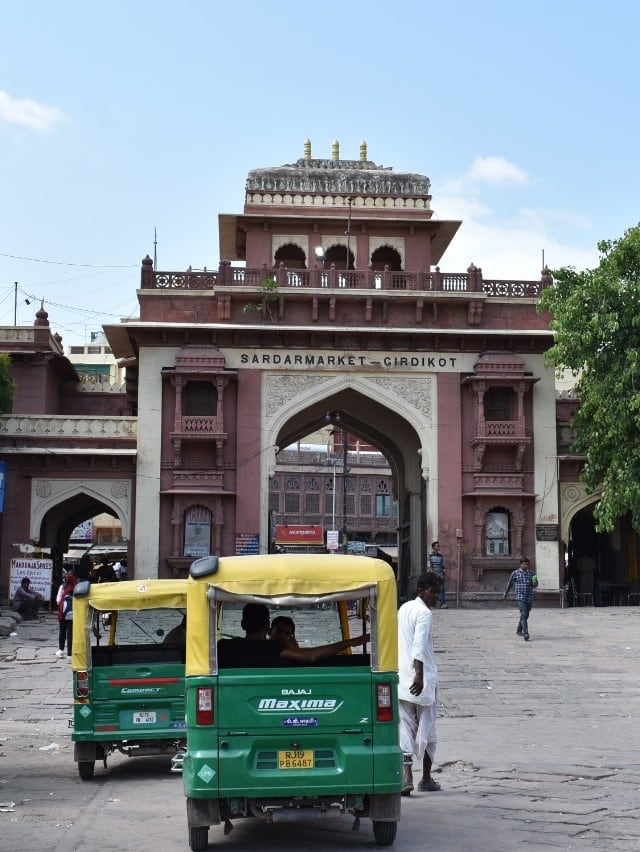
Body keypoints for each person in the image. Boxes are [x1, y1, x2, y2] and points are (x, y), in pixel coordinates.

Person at [397, 571, 442, 795]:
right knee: (428, 728)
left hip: (402, 678)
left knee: (405, 727)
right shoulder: (424, 613)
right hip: (420, 679)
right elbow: (419, 644)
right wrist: (419, 674)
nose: (436, 597)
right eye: (434, 592)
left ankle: (406, 775)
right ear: (422, 591)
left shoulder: (404, 609)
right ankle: (425, 777)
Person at [218, 603, 368, 667]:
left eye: (287, 633)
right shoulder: (271, 648)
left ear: (242, 624)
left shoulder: (223, 647)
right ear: (267, 628)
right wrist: (349, 642)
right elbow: (311, 656)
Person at [504, 557, 538, 641]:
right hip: (520, 596)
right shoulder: (515, 573)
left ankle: (519, 630)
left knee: (525, 614)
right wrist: (505, 594)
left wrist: (532, 583)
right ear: (520, 564)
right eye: (524, 564)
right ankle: (526, 633)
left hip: (529, 596)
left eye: (527, 564)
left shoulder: (532, 573)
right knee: (524, 612)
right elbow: (509, 584)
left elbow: (536, 584)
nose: (526, 566)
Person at [55, 570, 78, 658]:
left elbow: (58, 601)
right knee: (70, 633)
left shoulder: (62, 587)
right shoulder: (77, 587)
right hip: (73, 613)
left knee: (62, 631)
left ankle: (61, 650)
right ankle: (70, 655)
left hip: (63, 613)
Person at [427, 541, 447, 608]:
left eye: (439, 546)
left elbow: (442, 565)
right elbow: (429, 566)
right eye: (437, 546)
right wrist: (433, 574)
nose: (439, 547)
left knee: (442, 589)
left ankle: (442, 604)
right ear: (433, 547)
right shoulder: (430, 556)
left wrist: (444, 570)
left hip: (440, 574)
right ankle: (430, 604)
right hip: (433, 575)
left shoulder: (440, 556)